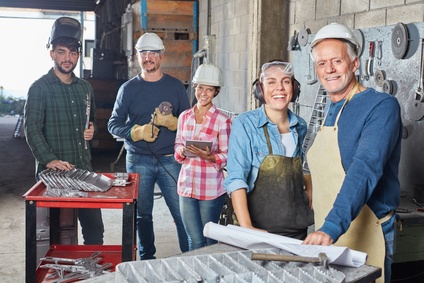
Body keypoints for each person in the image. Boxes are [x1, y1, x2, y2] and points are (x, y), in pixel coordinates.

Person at [303, 23, 402, 283]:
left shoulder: (381, 107)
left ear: (355, 63)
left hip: (364, 229)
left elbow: (365, 167)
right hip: (328, 229)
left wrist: (331, 226)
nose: (329, 69)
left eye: (337, 60)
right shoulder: (329, 110)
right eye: (322, 63)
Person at [108, 32, 190, 259]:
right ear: (137, 56)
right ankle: (146, 259)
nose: (148, 57)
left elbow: (189, 123)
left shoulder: (175, 87)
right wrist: (136, 132)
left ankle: (190, 255)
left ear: (162, 56)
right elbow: (113, 124)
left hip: (171, 160)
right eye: (144, 53)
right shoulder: (128, 89)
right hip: (138, 159)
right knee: (143, 215)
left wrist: (174, 123)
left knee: (182, 212)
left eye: (153, 53)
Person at [24, 17, 104, 245]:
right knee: (59, 235)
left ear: (78, 55)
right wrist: (50, 159)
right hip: (55, 177)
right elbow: (32, 129)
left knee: (95, 232)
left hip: (84, 170)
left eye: (72, 53)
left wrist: (92, 129)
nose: (67, 58)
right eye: (61, 52)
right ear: (52, 54)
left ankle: (93, 280)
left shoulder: (85, 88)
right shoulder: (39, 88)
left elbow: (93, 121)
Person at [224, 60, 313, 240]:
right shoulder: (245, 124)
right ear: (260, 90)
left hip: (295, 227)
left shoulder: (300, 126)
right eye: (271, 82)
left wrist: (309, 182)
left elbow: (291, 170)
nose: (279, 88)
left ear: (294, 89)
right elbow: (236, 178)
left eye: (286, 81)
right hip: (257, 228)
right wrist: (247, 227)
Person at [174, 63, 231, 250]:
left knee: (209, 241)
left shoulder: (222, 121)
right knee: (195, 240)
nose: (203, 93)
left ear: (216, 92)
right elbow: (177, 144)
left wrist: (211, 157)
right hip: (186, 186)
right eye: (199, 88)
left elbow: (228, 154)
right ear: (195, 87)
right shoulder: (184, 117)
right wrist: (181, 151)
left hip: (210, 189)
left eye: (209, 89)